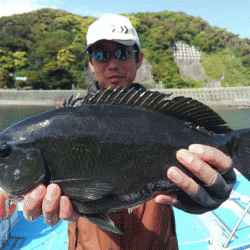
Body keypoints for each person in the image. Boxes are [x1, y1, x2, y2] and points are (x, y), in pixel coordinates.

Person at [3, 14, 236, 250]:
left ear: (139, 59)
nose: (112, 63)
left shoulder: (164, 116)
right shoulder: (59, 120)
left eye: (122, 52)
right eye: (101, 54)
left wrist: (208, 193)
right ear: (91, 63)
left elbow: (204, 178)